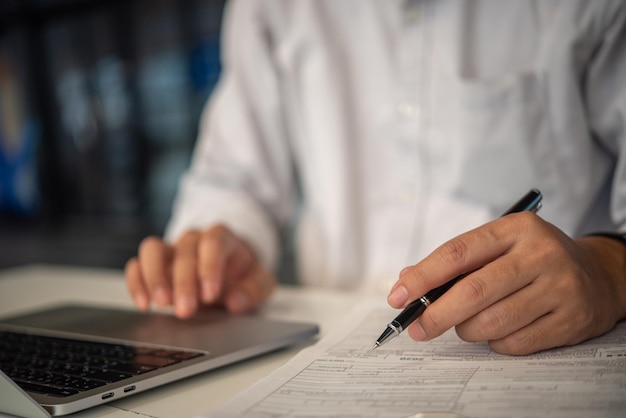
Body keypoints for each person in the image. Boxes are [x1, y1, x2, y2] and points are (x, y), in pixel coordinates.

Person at [125, 0, 626, 356]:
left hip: (547, 349)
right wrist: (219, 245)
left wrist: (608, 269)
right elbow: (234, 179)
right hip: (322, 344)